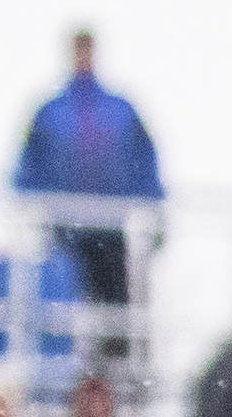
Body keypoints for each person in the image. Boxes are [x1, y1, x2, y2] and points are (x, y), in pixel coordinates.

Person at [11, 30, 162, 308]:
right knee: (62, 300)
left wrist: (155, 205)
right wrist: (23, 199)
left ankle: (112, 350)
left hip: (110, 225)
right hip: (64, 224)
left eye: (87, 50)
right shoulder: (52, 111)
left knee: (115, 307)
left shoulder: (119, 109)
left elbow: (144, 157)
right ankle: (70, 349)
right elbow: (30, 159)